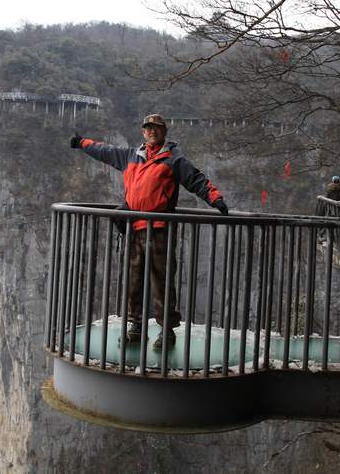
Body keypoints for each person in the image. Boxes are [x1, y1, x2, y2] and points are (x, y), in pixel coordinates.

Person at [70, 113, 229, 352]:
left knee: (161, 282)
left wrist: (216, 199)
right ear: (143, 132)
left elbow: (196, 179)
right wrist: (82, 143)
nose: (152, 131)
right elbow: (103, 150)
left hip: (159, 229)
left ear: (164, 131)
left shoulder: (173, 159)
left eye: (156, 128)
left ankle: (167, 331)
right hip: (135, 228)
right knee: (134, 281)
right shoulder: (130, 156)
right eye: (148, 128)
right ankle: (135, 327)